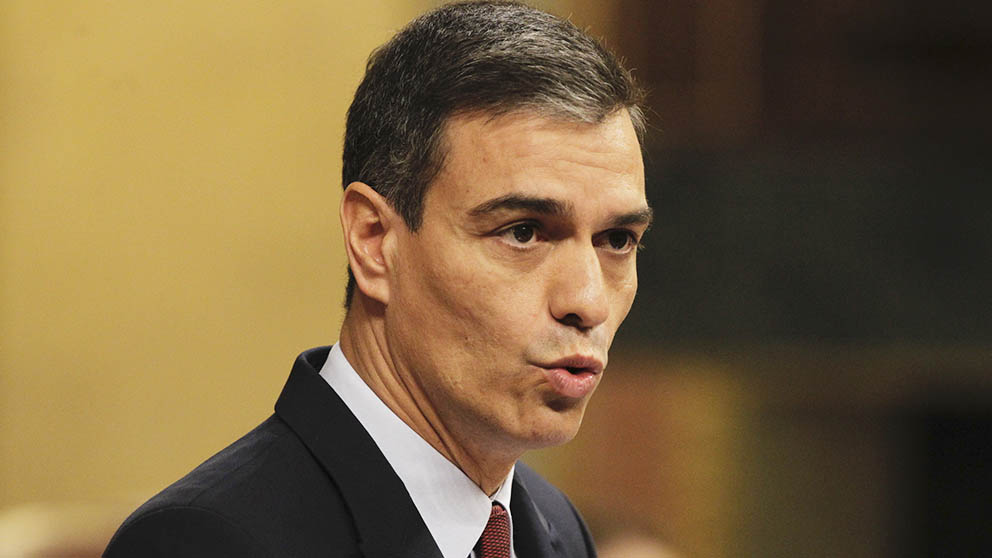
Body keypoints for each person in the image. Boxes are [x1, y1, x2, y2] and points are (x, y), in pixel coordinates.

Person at [104, 1, 650, 557]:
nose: (587, 301)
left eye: (617, 240)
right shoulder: (207, 542)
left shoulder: (555, 528)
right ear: (373, 240)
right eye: (524, 232)